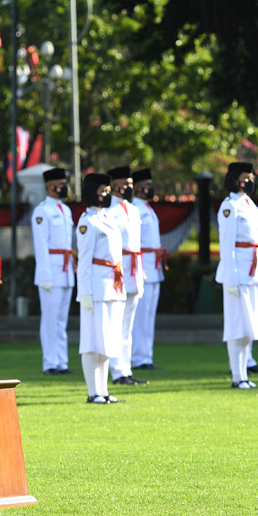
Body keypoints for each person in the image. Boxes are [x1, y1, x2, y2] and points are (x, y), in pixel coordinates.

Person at [215, 162, 258, 390]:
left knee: (249, 326)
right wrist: (230, 277)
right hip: (239, 271)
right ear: (234, 180)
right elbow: (227, 244)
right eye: (245, 177)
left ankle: (244, 374)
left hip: (254, 269)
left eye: (251, 177)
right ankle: (237, 375)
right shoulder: (229, 206)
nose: (249, 181)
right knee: (236, 325)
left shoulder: (249, 204)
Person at [76, 173, 126, 404]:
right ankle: (92, 391)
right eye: (101, 192)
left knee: (107, 341)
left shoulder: (108, 219)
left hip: (112, 285)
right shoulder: (87, 222)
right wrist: (84, 292)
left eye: (107, 192)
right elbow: (84, 261)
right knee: (91, 341)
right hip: (95, 288)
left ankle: (103, 390)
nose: (105, 196)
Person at [31, 167, 75, 375]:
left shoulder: (65, 210)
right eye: (61, 184)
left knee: (61, 320)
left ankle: (62, 361)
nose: (64, 188)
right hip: (51, 271)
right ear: (49, 186)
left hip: (66, 270)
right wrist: (45, 275)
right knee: (50, 319)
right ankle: (50, 362)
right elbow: (41, 245)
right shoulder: (42, 211)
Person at [106, 166, 147, 386]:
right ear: (115, 186)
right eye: (125, 184)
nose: (129, 188)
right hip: (120, 270)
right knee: (117, 322)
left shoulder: (133, 209)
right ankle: (117, 369)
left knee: (128, 325)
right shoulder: (109, 211)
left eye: (131, 184)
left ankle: (126, 368)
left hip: (135, 269)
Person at [131, 168, 164, 371]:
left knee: (149, 316)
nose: (149, 189)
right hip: (142, 265)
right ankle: (137, 357)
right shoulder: (134, 208)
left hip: (154, 265)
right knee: (140, 316)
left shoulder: (147, 208)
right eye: (146, 185)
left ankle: (146, 355)